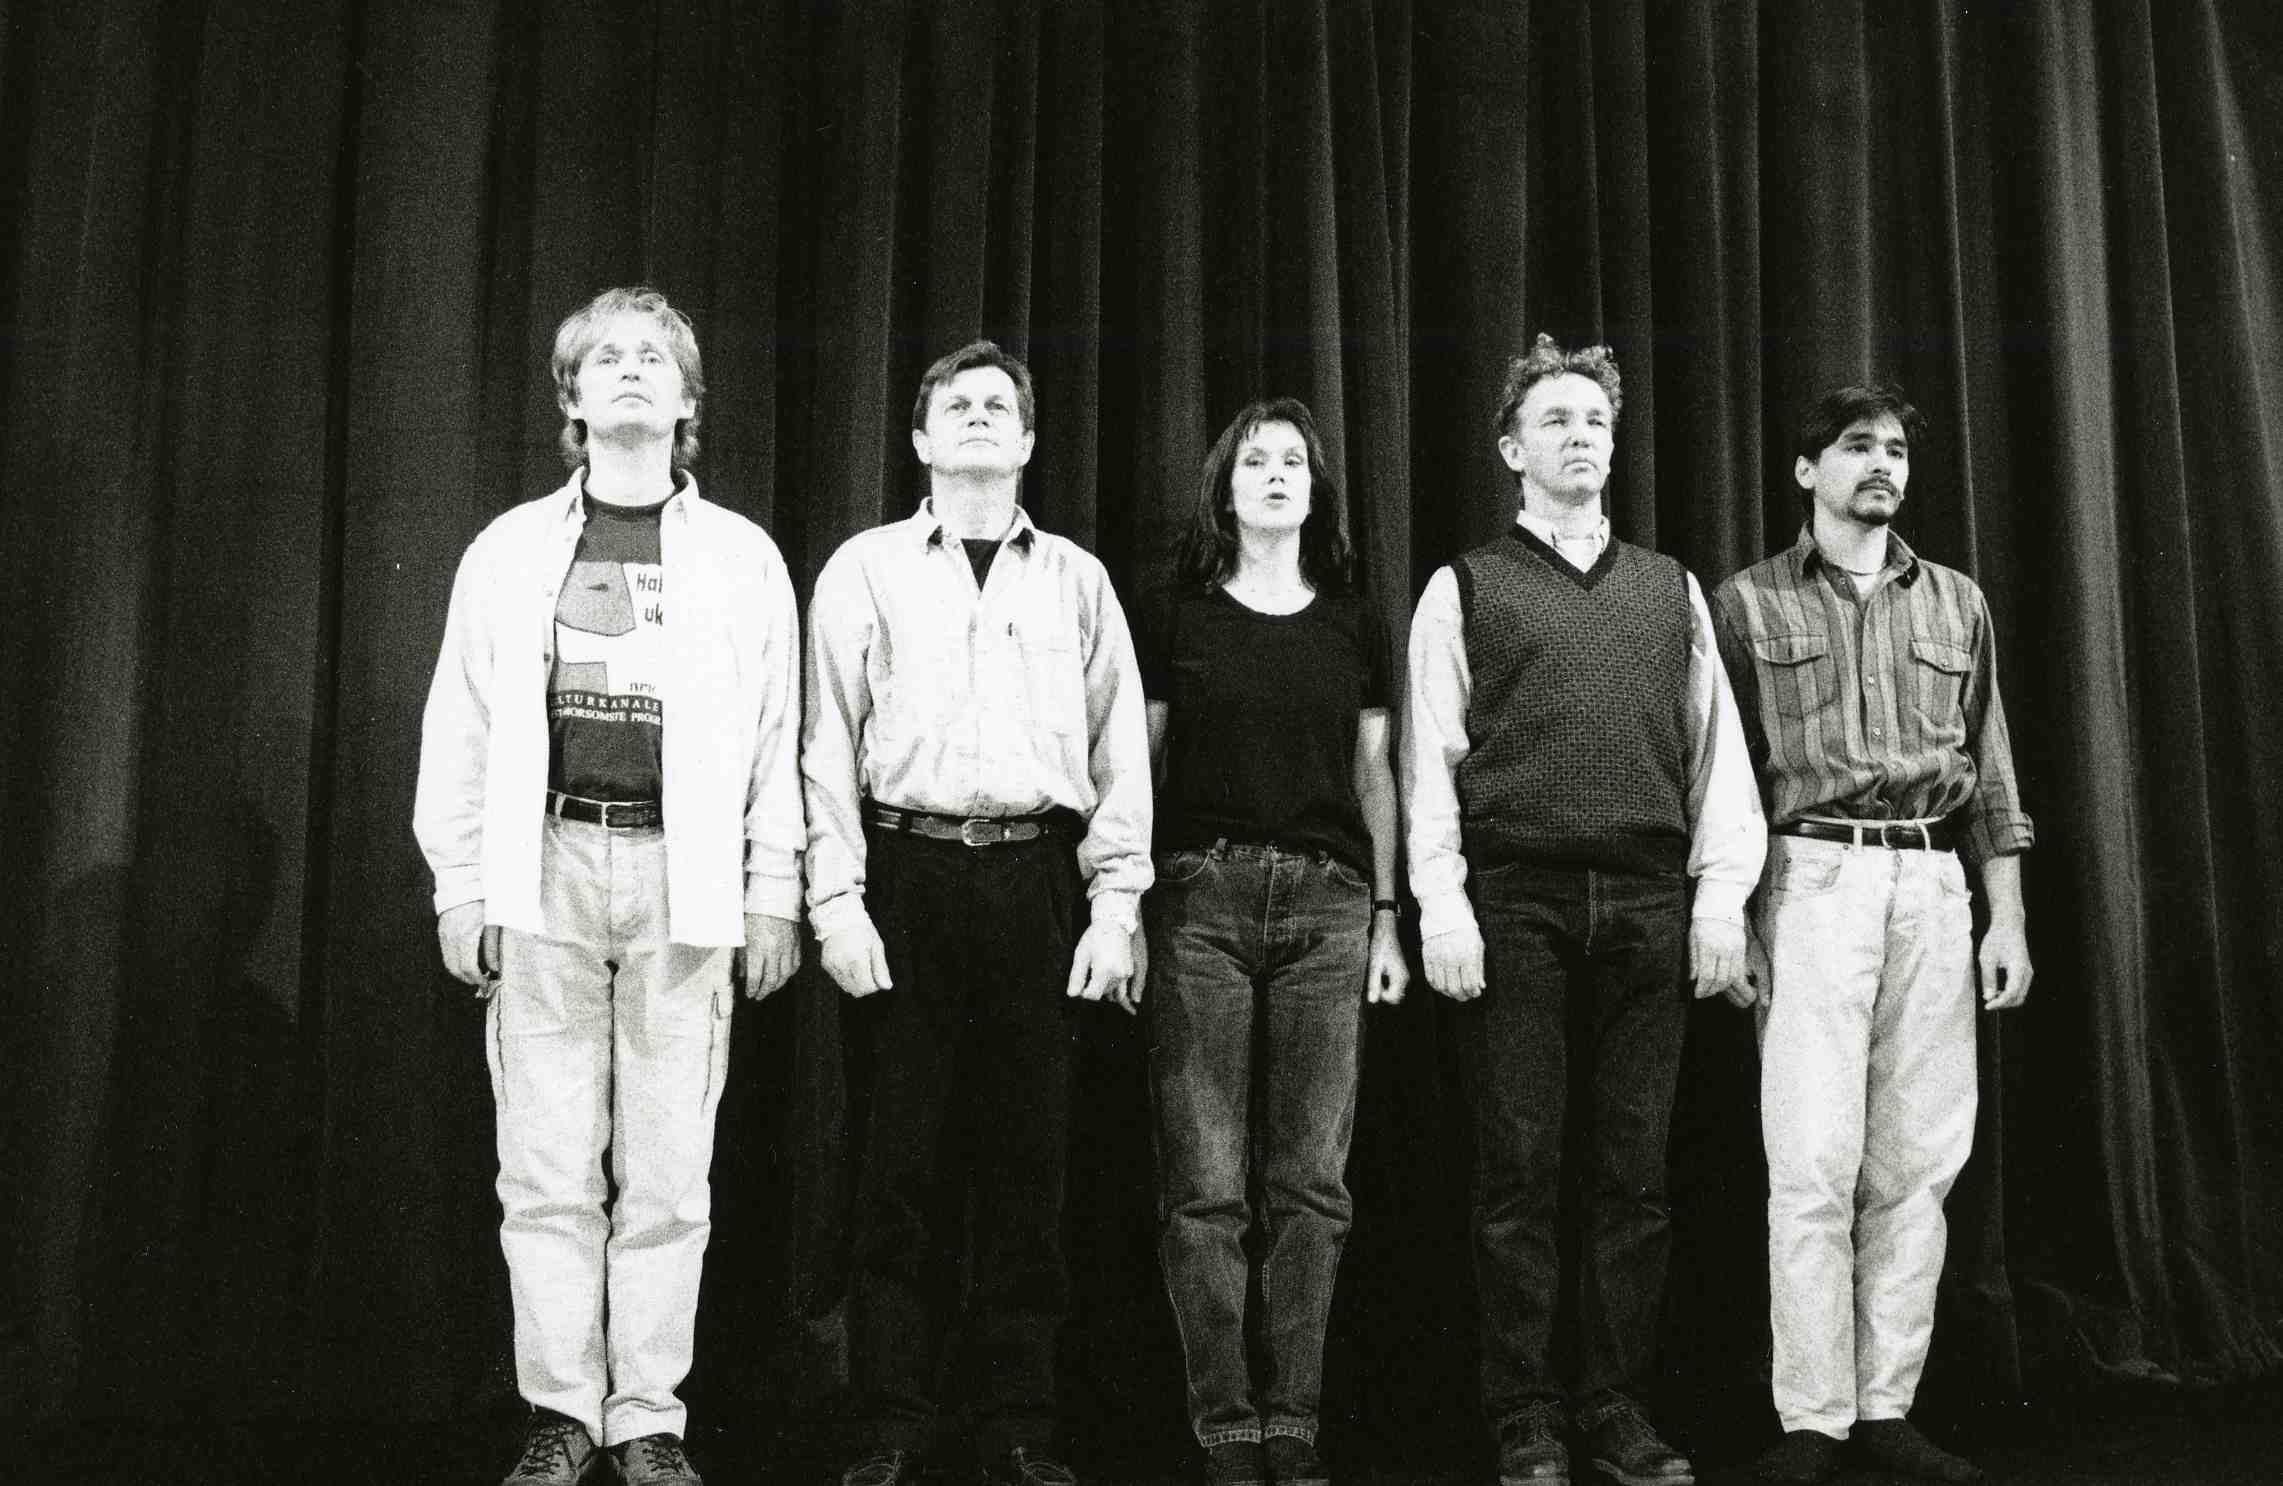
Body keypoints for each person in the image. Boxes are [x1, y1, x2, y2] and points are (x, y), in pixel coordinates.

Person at [414, 286, 805, 1486]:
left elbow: (775, 733)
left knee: (669, 1169)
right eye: (607, 358)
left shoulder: (740, 556)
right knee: (544, 1165)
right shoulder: (509, 549)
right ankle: (561, 1410)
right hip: (546, 864)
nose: (631, 371)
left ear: (687, 400)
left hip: (685, 874)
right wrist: (459, 883)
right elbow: (461, 722)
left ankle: (646, 1417)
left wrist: (772, 887)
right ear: (573, 398)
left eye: (654, 358)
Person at [1404, 334, 1764, 1486]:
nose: (1580, 437)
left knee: (1633, 1175)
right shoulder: (1465, 586)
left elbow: (1717, 758)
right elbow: (1428, 760)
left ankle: (1614, 1405)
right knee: (1517, 1168)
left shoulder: (1669, 589)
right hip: (1516, 896)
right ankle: (1524, 1414)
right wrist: (1442, 906)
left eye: (1596, 421)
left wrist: (1720, 900)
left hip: (1650, 898)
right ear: (1512, 449)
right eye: (1554, 420)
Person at [803, 340, 1152, 1486]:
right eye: (956, 405)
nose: (979, 417)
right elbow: (824, 745)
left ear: (1030, 439)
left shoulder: (1077, 581)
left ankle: (1018, 1425)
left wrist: (1115, 905)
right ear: (920, 437)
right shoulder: (865, 569)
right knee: (896, 1164)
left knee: (1028, 1166)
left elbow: (1119, 748)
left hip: (1034, 881)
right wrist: (836, 901)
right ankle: (890, 1423)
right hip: (904, 876)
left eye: (1000, 405)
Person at [1711, 384, 2034, 1486]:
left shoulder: (1955, 601)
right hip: (1808, 877)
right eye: (1857, 447)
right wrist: (1735, 912)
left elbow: (1991, 774)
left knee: (1917, 1165)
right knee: (1811, 1161)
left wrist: (2006, 917)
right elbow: (1722, 776)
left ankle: (1886, 1407)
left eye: (1895, 448)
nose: (1881, 464)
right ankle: (1814, 1418)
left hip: (1932, 882)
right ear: (1807, 471)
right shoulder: (1747, 602)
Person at [1136, 399, 1409, 1486]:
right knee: (1205, 1181)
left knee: (1310, 1182)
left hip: (1330, 907)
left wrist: (1387, 916)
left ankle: (1292, 1416)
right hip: (1198, 900)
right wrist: (1130, 904)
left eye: (1293, 460)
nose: (1276, 474)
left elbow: (1375, 773)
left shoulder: (1352, 619)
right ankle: (1224, 1420)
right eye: (1255, 460)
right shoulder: (1179, 617)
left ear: (1316, 489)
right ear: (1225, 488)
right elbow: (1144, 767)